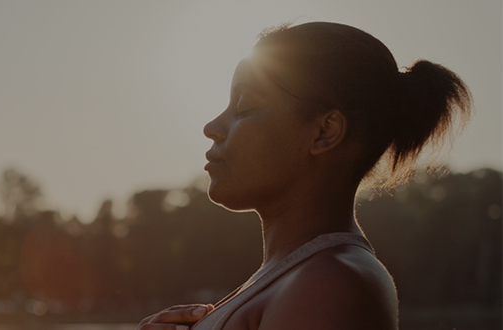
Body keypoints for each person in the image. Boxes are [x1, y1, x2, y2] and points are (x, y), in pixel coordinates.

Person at [136, 21, 472, 330]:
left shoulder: (330, 283)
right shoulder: (296, 276)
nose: (212, 128)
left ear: (325, 132)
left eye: (245, 107)